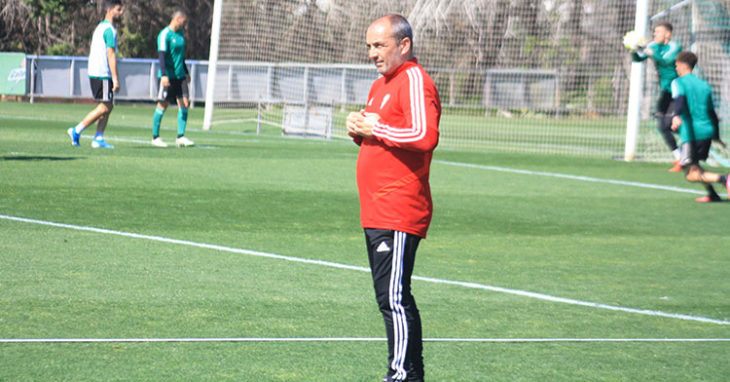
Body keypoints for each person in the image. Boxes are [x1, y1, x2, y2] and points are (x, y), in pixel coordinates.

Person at [346, 14, 440, 382]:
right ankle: (404, 374)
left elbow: (423, 134)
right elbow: (384, 135)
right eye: (368, 46)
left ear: (404, 45)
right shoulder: (380, 84)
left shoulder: (414, 79)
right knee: (389, 297)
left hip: (399, 209)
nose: (372, 53)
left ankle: (403, 376)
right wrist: (360, 130)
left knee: (395, 298)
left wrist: (375, 126)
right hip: (376, 210)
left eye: (379, 45)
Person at [670, 51, 729, 202]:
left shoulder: (678, 82)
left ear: (683, 65)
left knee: (690, 174)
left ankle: (725, 179)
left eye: (676, 65)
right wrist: (716, 136)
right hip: (706, 131)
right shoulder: (704, 85)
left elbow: (680, 100)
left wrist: (676, 115)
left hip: (691, 133)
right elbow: (712, 113)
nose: (676, 68)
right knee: (692, 167)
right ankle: (713, 195)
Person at [67, 0, 123, 149]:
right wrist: (115, 78)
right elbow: (110, 54)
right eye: (118, 10)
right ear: (109, 11)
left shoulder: (100, 27)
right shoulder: (109, 30)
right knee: (105, 106)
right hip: (102, 73)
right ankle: (77, 130)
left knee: (108, 106)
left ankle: (98, 138)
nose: (121, 13)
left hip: (96, 72)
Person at [632, 21, 683, 171]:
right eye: (654, 32)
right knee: (662, 125)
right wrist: (634, 50)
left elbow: (667, 61)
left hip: (677, 91)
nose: (655, 35)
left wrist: (649, 52)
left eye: (658, 32)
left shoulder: (675, 46)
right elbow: (638, 59)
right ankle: (679, 157)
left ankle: (689, 150)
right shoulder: (654, 46)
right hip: (665, 92)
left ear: (668, 34)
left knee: (673, 124)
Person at [150, 9, 194, 148]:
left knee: (185, 103)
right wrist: (163, 75)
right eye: (184, 21)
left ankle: (180, 136)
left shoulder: (181, 34)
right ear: (177, 19)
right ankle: (155, 137)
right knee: (163, 105)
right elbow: (162, 56)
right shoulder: (164, 35)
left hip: (180, 76)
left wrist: (185, 71)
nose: (185, 23)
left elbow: (181, 56)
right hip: (168, 76)